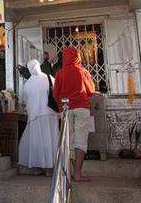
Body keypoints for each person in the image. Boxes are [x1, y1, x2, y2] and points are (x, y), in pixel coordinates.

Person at [53, 47, 95, 182]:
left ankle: (69, 173)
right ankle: (78, 173)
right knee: (81, 140)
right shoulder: (83, 72)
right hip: (81, 107)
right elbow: (91, 91)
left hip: (65, 109)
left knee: (68, 140)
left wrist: (62, 103)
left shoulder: (59, 74)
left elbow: (55, 94)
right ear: (78, 57)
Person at [18, 60, 59, 176]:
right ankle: (50, 168)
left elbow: (26, 101)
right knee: (50, 140)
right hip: (50, 113)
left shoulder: (27, 84)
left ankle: (38, 168)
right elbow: (57, 92)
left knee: (37, 142)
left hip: (35, 116)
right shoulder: (48, 77)